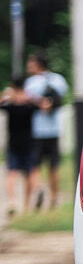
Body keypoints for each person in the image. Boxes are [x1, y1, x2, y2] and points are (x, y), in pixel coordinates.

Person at [24, 54, 69, 210]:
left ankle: (39, 188)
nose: (28, 66)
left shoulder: (30, 83)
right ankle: (54, 197)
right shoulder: (58, 79)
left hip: (37, 130)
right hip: (54, 129)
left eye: (31, 63)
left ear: (38, 65)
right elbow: (62, 97)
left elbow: (26, 101)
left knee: (34, 164)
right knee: (53, 166)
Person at [2, 77, 38, 216]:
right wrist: (29, 97)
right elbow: (42, 105)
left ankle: (12, 201)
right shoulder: (29, 104)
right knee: (29, 174)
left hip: (13, 143)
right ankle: (27, 205)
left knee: (11, 173)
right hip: (29, 143)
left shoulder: (10, 105)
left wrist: (7, 96)